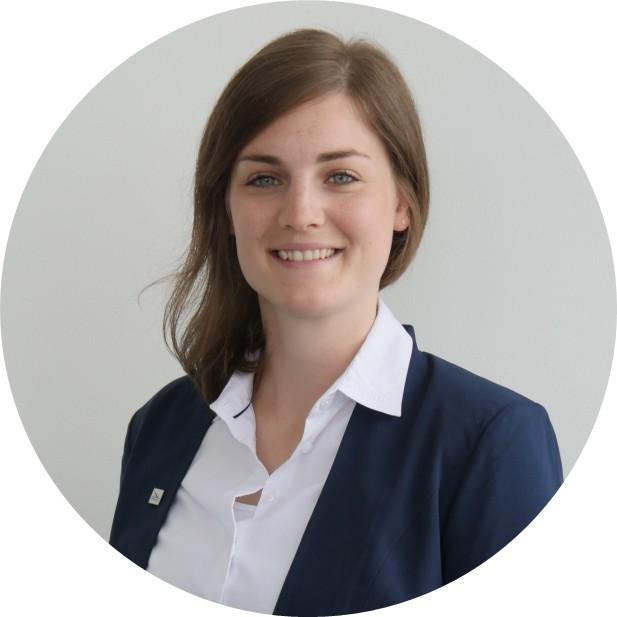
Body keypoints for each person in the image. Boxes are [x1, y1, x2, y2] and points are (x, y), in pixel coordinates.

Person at [109, 28, 563, 615]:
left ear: (402, 202)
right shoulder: (160, 426)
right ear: (227, 207)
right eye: (264, 178)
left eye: (340, 176)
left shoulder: (491, 443)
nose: (301, 213)